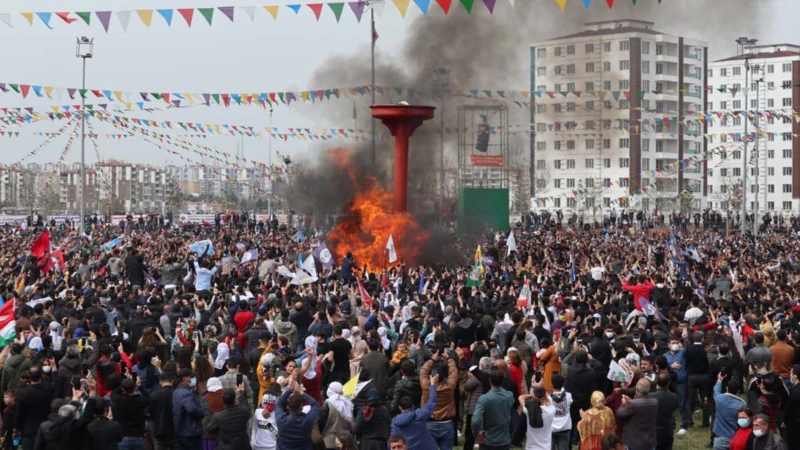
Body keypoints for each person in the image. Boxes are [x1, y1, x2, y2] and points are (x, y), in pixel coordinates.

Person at [419, 352, 458, 450]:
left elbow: (423, 370)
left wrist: (432, 359)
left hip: (429, 423)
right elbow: (453, 371)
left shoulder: (426, 386)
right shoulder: (450, 386)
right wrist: (449, 359)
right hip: (446, 423)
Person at [472, 369, 514, 450]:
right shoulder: (509, 396)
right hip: (504, 440)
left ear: (489, 380)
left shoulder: (484, 399)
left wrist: (476, 433)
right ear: (502, 381)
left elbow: (475, 420)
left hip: (488, 441)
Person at [14, 365, 55, 450]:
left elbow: (19, 413)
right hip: (46, 425)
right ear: (41, 375)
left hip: (29, 428)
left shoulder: (23, 393)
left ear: (29, 376)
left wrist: (16, 427)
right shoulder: (49, 388)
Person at [390, 380, 438, 450]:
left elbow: (392, 440)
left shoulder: (395, 422)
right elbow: (432, 402)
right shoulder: (420, 415)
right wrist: (433, 385)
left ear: (400, 407)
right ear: (412, 406)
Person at [274, 379, 320, 450]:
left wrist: (289, 390)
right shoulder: (307, 421)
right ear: (301, 407)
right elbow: (316, 405)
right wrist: (301, 392)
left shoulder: (281, 420)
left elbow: (279, 404)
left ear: (288, 407)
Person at [615, 378, 658, 450]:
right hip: (650, 442)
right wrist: (631, 401)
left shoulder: (632, 404)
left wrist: (624, 404)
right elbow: (641, 406)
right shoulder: (655, 402)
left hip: (634, 443)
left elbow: (619, 413)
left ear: (637, 390)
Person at [111, 377, 152, 450]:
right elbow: (149, 399)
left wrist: (123, 384)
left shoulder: (119, 400)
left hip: (123, 437)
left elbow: (113, 394)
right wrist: (140, 386)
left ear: (123, 389)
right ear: (135, 388)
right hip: (139, 436)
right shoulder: (140, 401)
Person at [206, 386, 252, 450]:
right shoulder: (243, 412)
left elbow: (209, 429)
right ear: (234, 399)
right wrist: (241, 396)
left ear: (222, 400)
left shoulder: (218, 416)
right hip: (243, 446)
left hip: (225, 446)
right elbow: (248, 411)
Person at [173, 368, 205, 450]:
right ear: (184, 379)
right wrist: (201, 413)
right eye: (191, 377)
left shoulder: (177, 391)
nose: (193, 379)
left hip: (181, 431)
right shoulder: (186, 393)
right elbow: (191, 409)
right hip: (191, 432)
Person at [712, 372, 746, 450]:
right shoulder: (742, 405)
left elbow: (716, 390)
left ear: (727, 388)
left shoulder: (719, 399)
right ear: (738, 391)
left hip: (719, 438)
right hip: (736, 438)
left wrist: (719, 380)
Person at [148, 368, 177, 450]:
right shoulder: (177, 394)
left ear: (160, 382)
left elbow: (150, 412)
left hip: (159, 430)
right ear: (173, 380)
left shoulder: (154, 396)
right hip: (175, 430)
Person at [319, 382, 353, 449]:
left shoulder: (327, 405)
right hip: (345, 443)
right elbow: (352, 424)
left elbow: (320, 424)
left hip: (329, 442)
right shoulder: (348, 404)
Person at [520, 386, 556, 450]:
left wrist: (532, 395)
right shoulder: (551, 410)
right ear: (545, 396)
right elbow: (550, 400)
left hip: (530, 447)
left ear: (534, 397)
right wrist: (546, 395)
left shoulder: (528, 410)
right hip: (545, 447)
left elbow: (521, 397)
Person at [649, 372, 678, 450]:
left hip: (654, 431)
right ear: (668, 383)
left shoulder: (651, 396)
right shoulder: (673, 397)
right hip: (667, 430)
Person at [251, 384, 281, 450]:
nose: (267, 406)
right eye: (265, 403)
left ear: (274, 403)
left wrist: (268, 421)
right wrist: (253, 443)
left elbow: (278, 435)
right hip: (257, 446)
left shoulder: (279, 414)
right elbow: (254, 429)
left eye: (270, 403)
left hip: (271, 447)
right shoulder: (258, 412)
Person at [550, 373, 573, 450]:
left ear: (552, 385)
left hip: (551, 428)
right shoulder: (568, 396)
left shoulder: (548, 398)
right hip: (565, 428)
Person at [785, 365, 800, 448]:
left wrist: (785, 420)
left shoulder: (794, 393)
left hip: (795, 425)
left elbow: (789, 409)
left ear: (795, 376)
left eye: (790, 373)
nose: (790, 376)